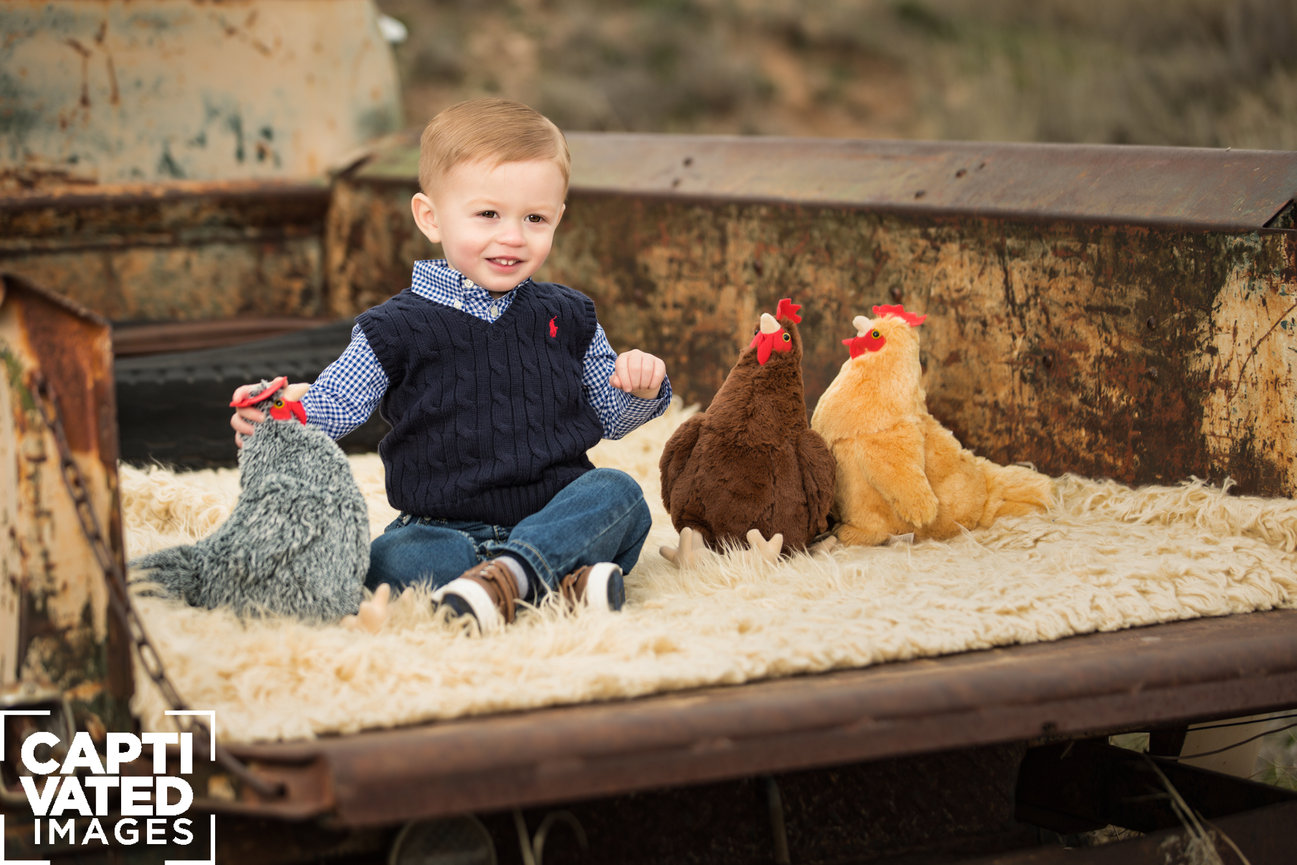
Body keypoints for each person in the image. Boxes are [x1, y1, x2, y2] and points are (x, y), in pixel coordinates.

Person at [230, 97, 671, 632]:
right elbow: (334, 406)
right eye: (488, 214)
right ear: (430, 218)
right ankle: (552, 584)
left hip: (554, 513)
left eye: (535, 218)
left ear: (558, 218)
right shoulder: (394, 328)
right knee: (395, 559)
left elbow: (609, 416)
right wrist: (280, 418)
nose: (512, 235)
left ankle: (507, 580)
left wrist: (639, 387)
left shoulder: (568, 315)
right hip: (441, 526)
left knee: (618, 495)